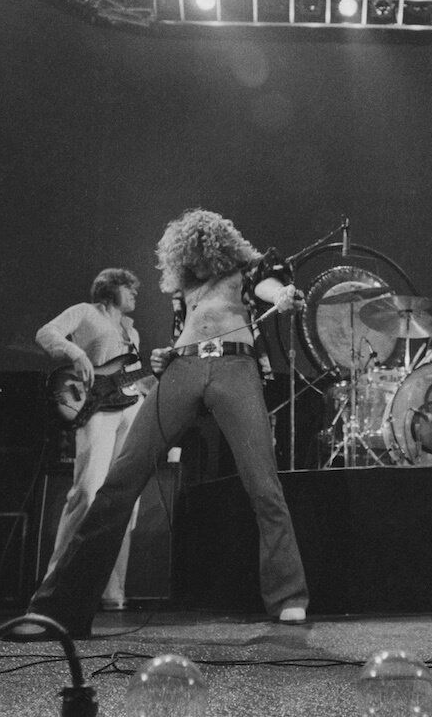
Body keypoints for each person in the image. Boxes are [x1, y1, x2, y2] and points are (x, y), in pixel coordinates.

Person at [21, 209, 309, 637]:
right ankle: (58, 609)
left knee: (263, 483)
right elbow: (182, 334)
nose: (192, 255)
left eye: (198, 245)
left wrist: (282, 295)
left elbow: (268, 287)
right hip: (182, 370)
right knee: (120, 482)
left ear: (215, 243)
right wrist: (163, 356)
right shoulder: (185, 289)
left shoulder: (247, 269)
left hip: (235, 366)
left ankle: (289, 595)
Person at [35, 268, 146, 612]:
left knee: (125, 500)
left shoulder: (133, 332)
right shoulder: (85, 311)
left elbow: (133, 376)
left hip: (130, 407)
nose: (135, 296)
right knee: (87, 491)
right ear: (113, 288)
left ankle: (112, 589)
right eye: (130, 289)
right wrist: (76, 353)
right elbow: (46, 333)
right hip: (96, 408)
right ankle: (57, 583)